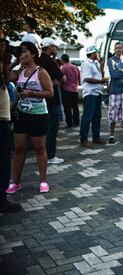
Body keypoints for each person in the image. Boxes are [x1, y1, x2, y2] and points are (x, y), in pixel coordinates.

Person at [6, 42, 54, 194]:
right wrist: (13, 61)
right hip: (21, 114)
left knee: (40, 148)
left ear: (33, 54)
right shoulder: (19, 71)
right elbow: (5, 78)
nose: (21, 55)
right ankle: (16, 182)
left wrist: (31, 93)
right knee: (19, 149)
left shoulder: (41, 72)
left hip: (39, 114)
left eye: (24, 52)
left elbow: (50, 92)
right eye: (19, 52)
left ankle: (43, 181)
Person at [0, 38, 21, 212]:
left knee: (5, 158)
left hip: (4, 116)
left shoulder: (3, 61)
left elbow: (6, 82)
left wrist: (7, 62)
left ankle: (2, 198)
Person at [39, 37, 66, 164]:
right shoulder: (50, 62)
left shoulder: (38, 60)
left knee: (43, 128)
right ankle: (50, 155)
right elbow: (63, 78)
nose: (56, 49)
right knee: (52, 128)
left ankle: (43, 153)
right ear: (50, 47)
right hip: (52, 99)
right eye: (54, 46)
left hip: (41, 99)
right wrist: (55, 81)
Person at [79, 46, 107, 148]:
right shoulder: (86, 64)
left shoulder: (95, 63)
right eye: (97, 53)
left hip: (97, 92)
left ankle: (96, 137)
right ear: (92, 53)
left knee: (97, 116)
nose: (98, 55)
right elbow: (87, 78)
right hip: (90, 93)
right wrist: (101, 81)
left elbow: (100, 76)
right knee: (87, 116)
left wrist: (102, 68)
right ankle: (84, 139)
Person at [107, 42, 123, 143]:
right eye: (116, 48)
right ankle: (111, 135)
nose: (118, 49)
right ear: (114, 49)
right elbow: (113, 75)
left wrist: (120, 72)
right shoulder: (111, 60)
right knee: (112, 115)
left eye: (120, 48)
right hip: (114, 91)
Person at [60, 54, 80, 128]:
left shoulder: (63, 68)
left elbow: (62, 80)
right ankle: (76, 121)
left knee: (67, 107)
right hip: (75, 90)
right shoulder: (75, 67)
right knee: (75, 107)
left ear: (63, 60)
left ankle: (69, 122)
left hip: (66, 90)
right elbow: (79, 78)